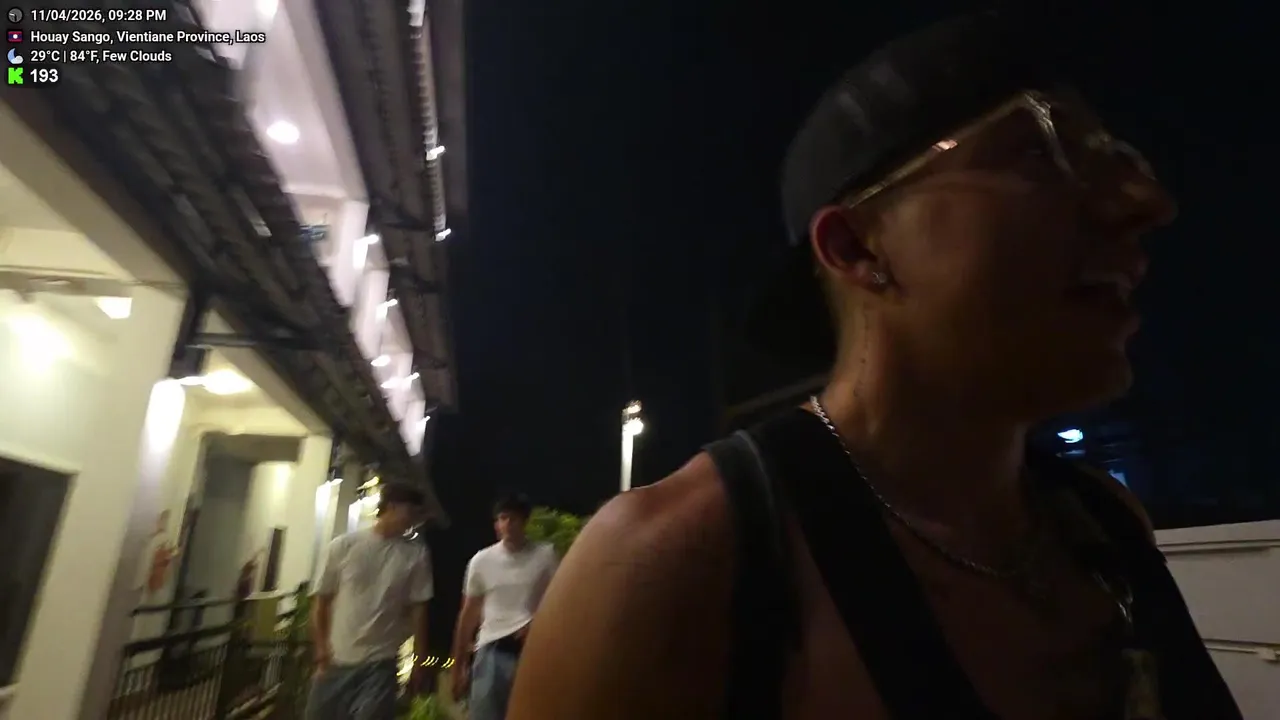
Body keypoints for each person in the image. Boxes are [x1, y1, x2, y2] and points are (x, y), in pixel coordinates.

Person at [508, 12, 1242, 720]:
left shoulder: (1107, 530)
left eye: (1116, 160)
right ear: (857, 248)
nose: (1147, 204)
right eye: (1038, 152)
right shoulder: (674, 567)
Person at [306, 482, 433, 720]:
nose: (412, 520)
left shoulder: (415, 555)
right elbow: (321, 602)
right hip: (336, 659)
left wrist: (419, 661)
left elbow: (419, 612)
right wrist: (321, 649)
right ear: (391, 507)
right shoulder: (344, 546)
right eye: (410, 512)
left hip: (381, 661)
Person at [449, 493, 558, 720]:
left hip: (530, 650)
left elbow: (558, 601)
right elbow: (468, 615)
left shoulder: (545, 556)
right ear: (496, 524)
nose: (507, 524)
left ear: (525, 521)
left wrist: (539, 624)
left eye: (513, 519)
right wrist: (458, 667)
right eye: (502, 518)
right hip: (491, 649)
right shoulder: (481, 561)